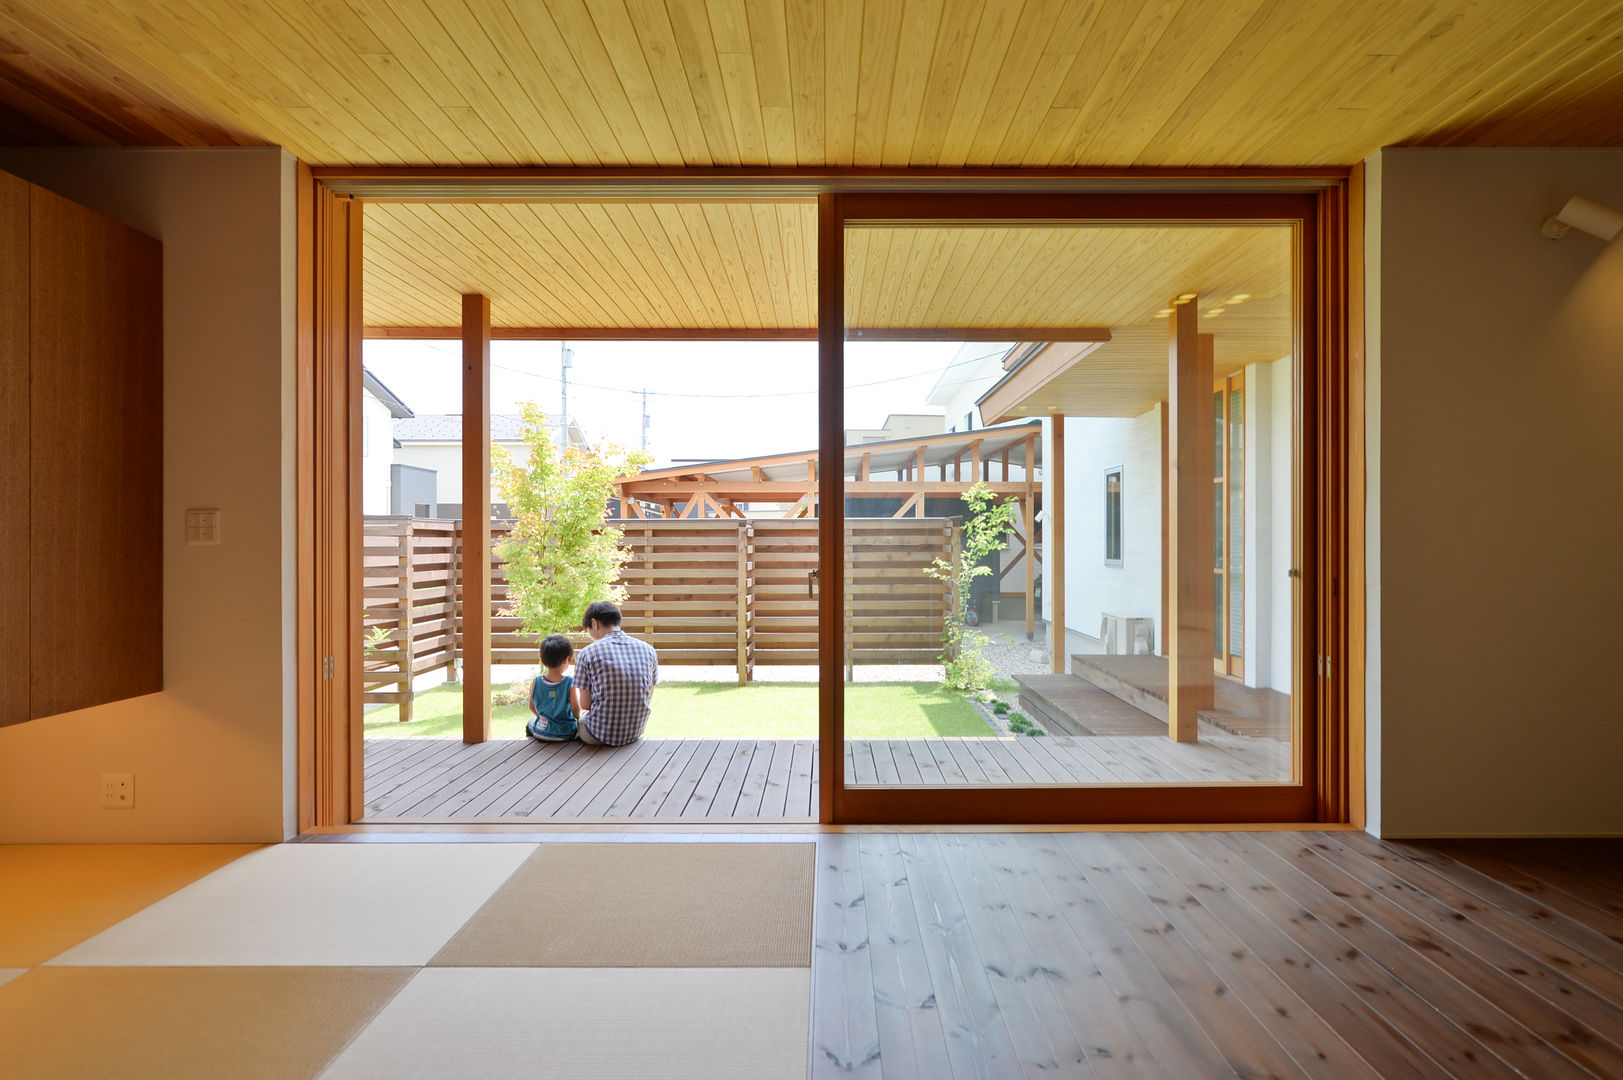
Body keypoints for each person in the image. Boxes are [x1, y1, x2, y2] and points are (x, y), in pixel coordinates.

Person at [572, 600, 658, 746]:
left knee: (576, 722)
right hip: (635, 732)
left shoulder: (588, 653)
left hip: (598, 734)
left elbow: (585, 704)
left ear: (594, 623)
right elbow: (649, 695)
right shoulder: (647, 649)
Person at [525, 634, 579, 743]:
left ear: (543, 659)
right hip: (565, 733)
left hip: (541, 732)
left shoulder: (536, 681)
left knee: (530, 722)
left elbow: (531, 707)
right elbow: (576, 710)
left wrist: (543, 719)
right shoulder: (569, 682)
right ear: (566, 659)